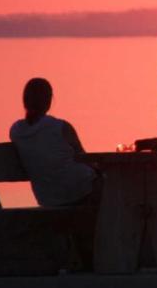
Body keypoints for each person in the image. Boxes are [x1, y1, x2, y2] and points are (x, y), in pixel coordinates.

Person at [8, 77, 99, 207]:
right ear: (49, 100)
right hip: (80, 189)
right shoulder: (60, 127)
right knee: (120, 187)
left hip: (47, 197)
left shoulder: (16, 131)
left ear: (25, 101)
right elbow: (84, 159)